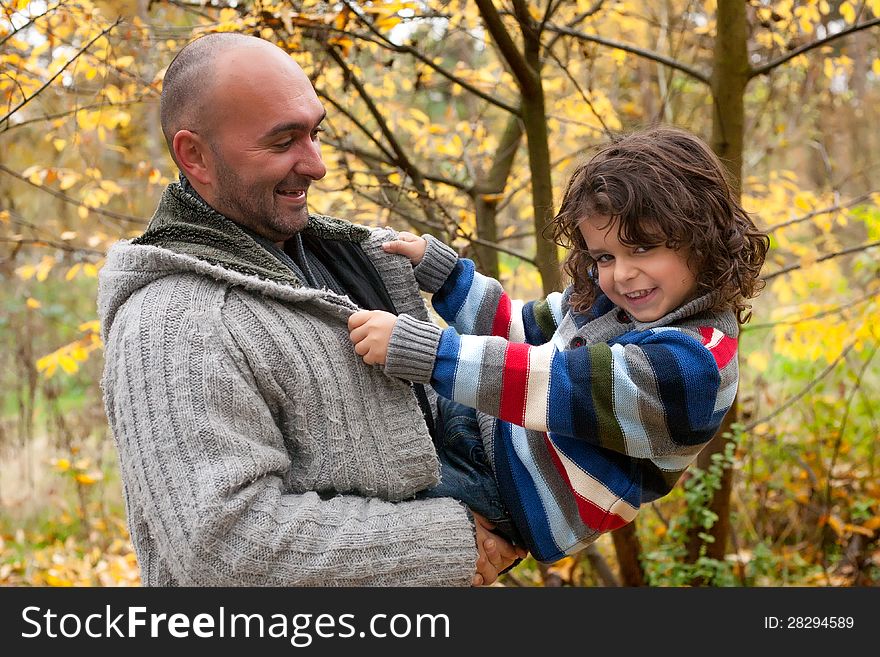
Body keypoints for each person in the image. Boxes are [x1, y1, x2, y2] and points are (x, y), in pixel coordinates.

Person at [97, 32, 524, 586]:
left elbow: (430, 436)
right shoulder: (170, 323)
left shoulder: (363, 262)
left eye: (315, 133)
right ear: (195, 156)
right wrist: (450, 544)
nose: (317, 165)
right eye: (284, 142)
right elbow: (225, 550)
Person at [348, 126, 770, 563]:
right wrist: (446, 275)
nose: (621, 274)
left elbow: (551, 382)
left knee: (359, 506)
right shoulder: (608, 298)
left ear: (703, 239)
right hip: (487, 432)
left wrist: (430, 352)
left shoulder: (694, 366)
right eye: (604, 256)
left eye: (642, 249)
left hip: (509, 493)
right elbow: (517, 328)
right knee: (361, 415)